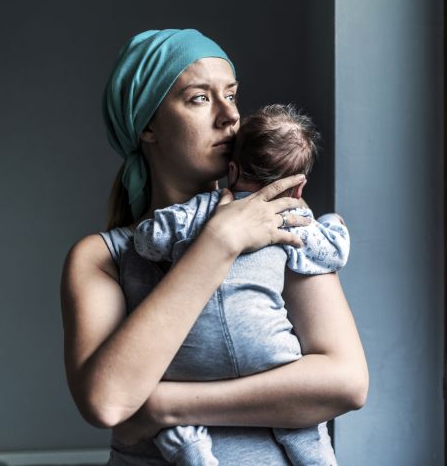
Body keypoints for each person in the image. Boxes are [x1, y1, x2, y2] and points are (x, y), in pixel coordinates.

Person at [60, 29, 368, 466]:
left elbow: (346, 382)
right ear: (146, 124)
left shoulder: (278, 218)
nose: (230, 117)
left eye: (232, 95)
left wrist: (167, 405)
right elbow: (108, 402)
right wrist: (219, 242)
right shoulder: (101, 258)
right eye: (200, 98)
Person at [136, 103, 349, 466]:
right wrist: (331, 222)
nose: (228, 113)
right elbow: (333, 254)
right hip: (268, 359)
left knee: (178, 424)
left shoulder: (202, 209)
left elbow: (148, 240)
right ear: (298, 188)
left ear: (232, 170)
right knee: (301, 426)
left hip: (192, 365)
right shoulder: (293, 218)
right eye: (200, 97)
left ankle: (189, 445)